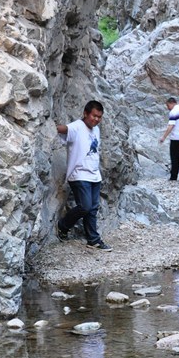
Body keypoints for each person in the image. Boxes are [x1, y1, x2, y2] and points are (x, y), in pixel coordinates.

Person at [56, 101, 111, 250]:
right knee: (85, 206)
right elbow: (62, 129)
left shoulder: (96, 130)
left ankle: (93, 239)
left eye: (99, 117)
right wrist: (49, 126)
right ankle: (63, 225)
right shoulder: (77, 127)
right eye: (94, 115)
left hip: (94, 175)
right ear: (86, 113)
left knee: (92, 209)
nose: (96, 119)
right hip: (79, 174)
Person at [159, 96, 179, 182]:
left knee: (175, 159)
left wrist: (164, 137)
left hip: (176, 139)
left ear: (171, 103)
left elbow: (171, 125)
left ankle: (174, 177)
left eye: (167, 106)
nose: (168, 108)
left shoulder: (173, 112)